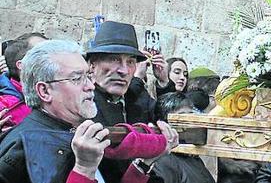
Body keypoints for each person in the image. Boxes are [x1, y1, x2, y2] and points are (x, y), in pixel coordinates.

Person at [0, 39, 178, 183]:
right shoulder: (21, 149)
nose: (90, 85)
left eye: (87, 75)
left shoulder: (77, 131)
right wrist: (84, 168)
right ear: (45, 91)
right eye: (77, 78)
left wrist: (143, 165)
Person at [86, 21, 175, 182]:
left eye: (130, 62)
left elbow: (171, 117)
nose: (124, 71)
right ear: (92, 65)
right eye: (114, 59)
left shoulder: (137, 96)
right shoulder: (83, 105)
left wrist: (164, 83)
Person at [150, 91, 216, 183]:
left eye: (191, 114)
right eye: (182, 117)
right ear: (163, 125)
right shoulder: (164, 161)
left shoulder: (191, 155)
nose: (191, 123)